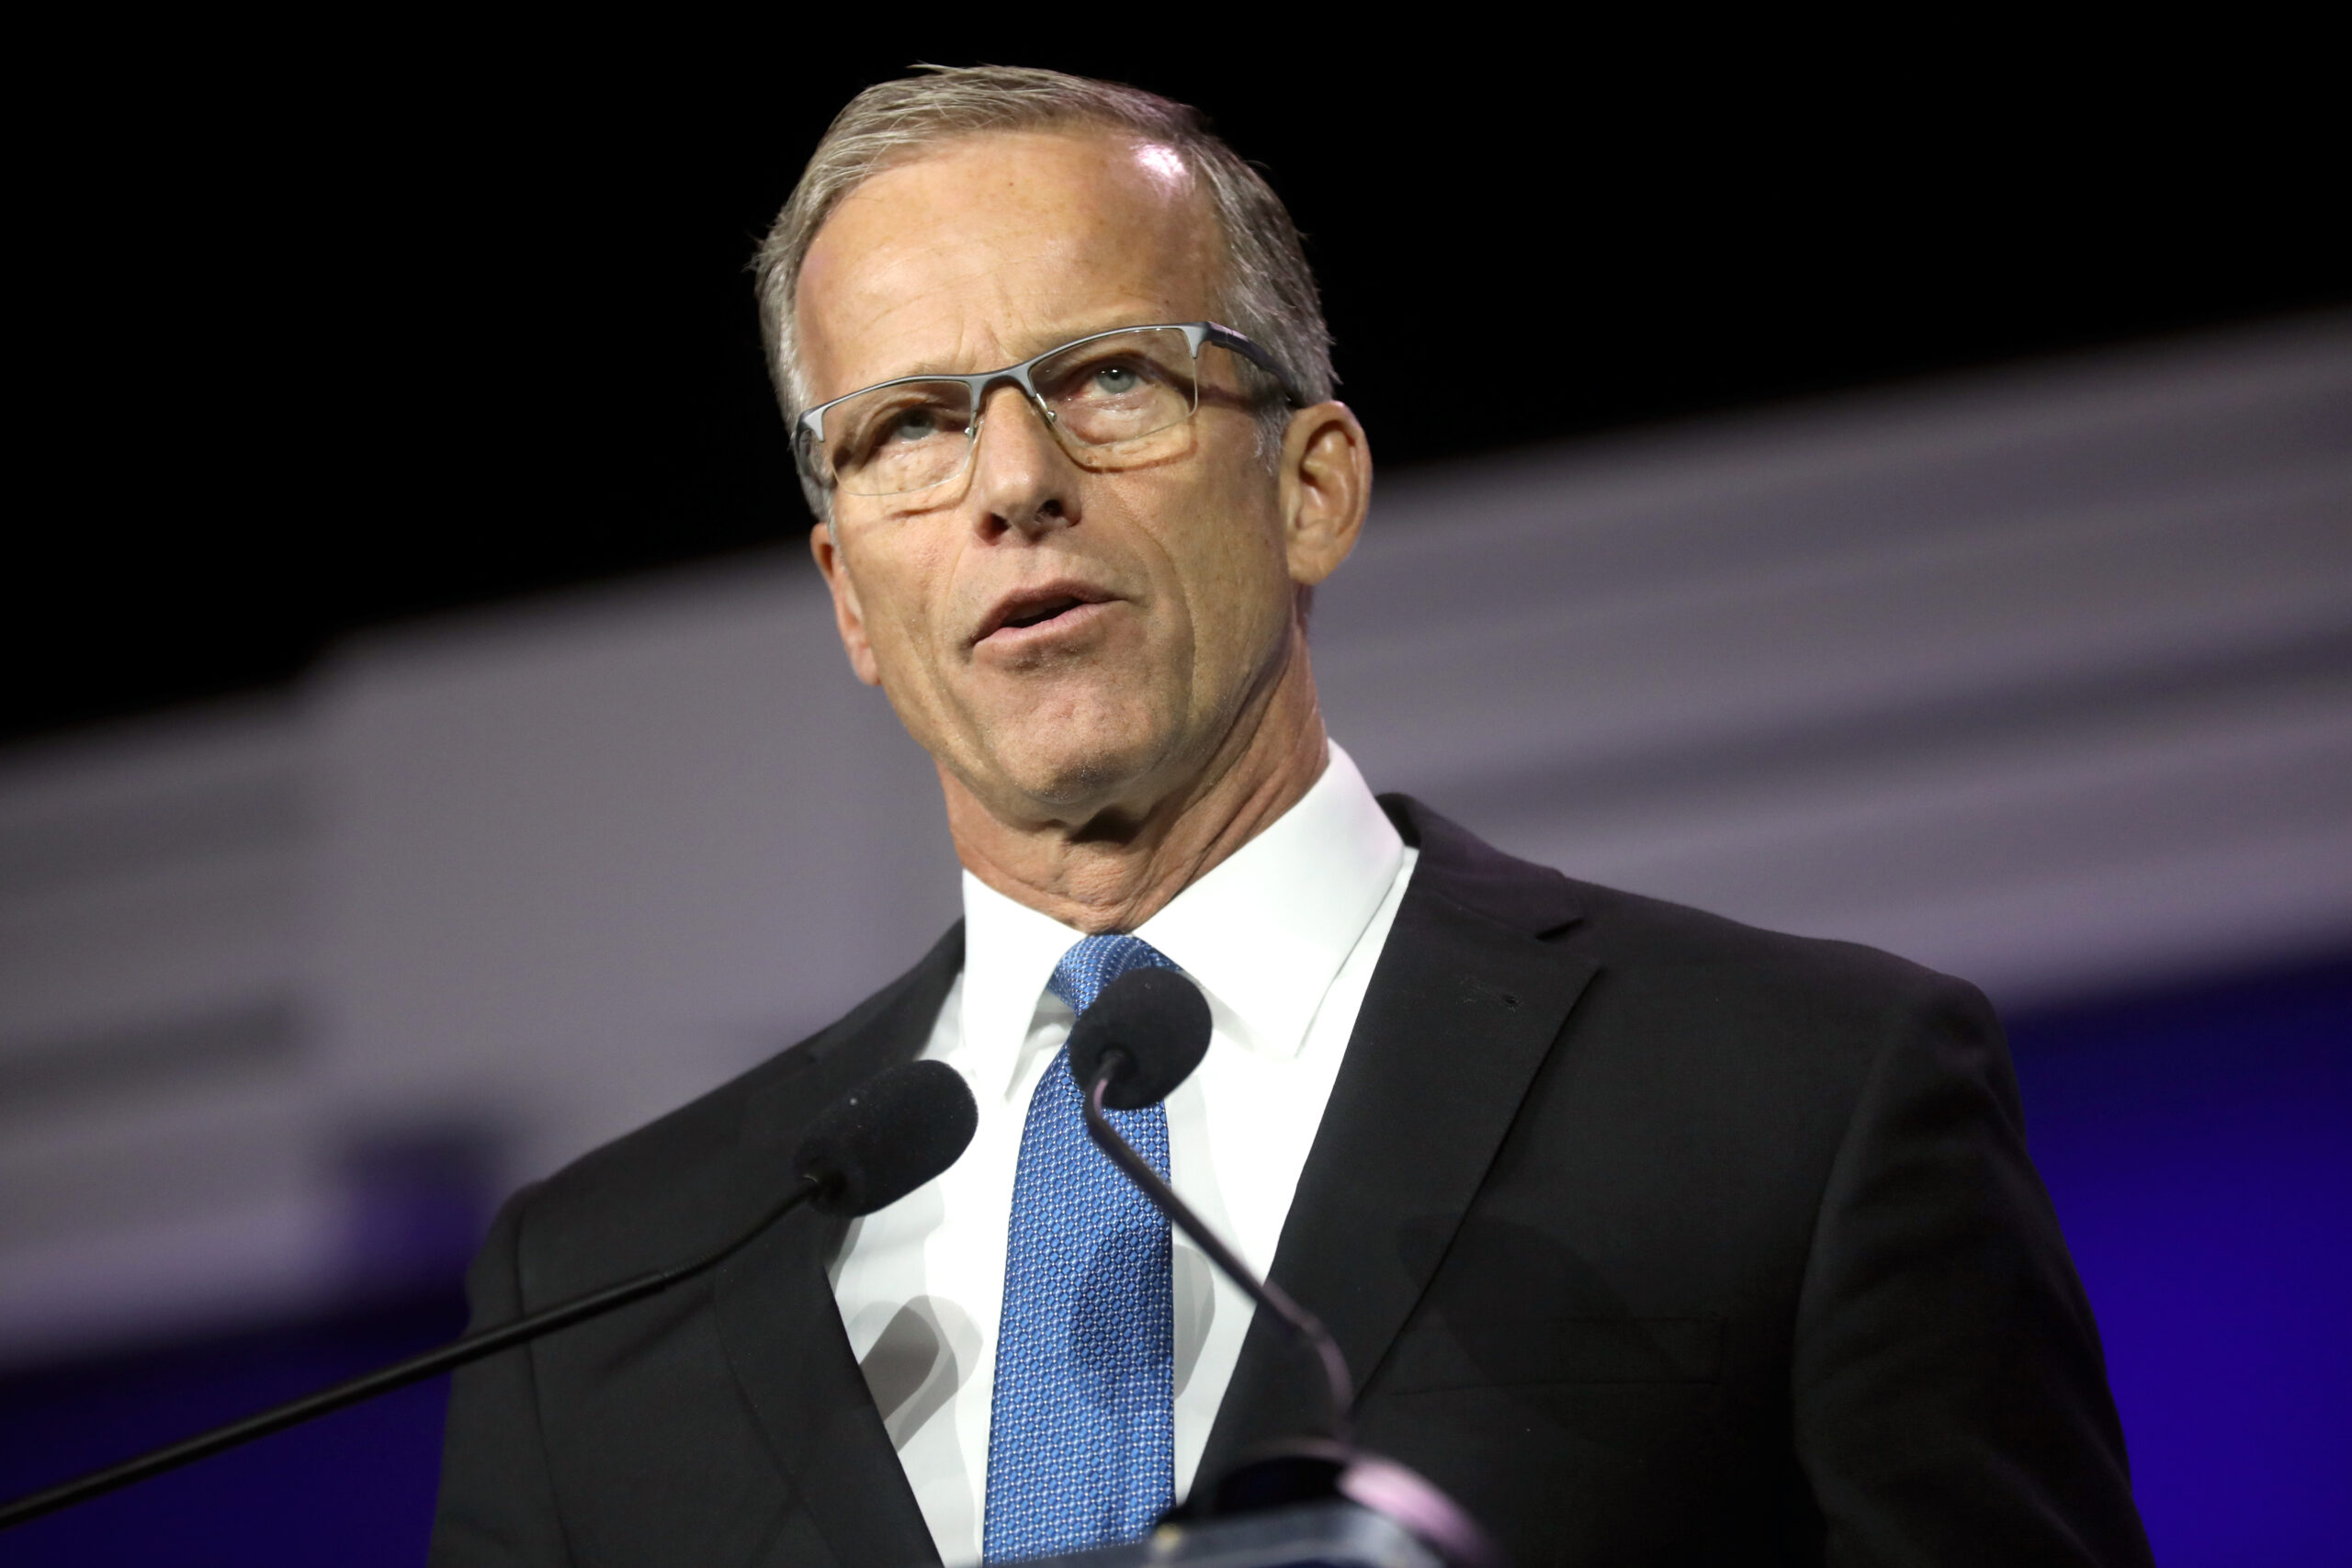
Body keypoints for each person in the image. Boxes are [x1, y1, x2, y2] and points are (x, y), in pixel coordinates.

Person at [430, 66, 2153, 1567]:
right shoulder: (599, 1294)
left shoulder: (1795, 1098)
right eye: (908, 428)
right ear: (853, 603)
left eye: (1109, 376)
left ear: (1313, 484)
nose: (1016, 485)